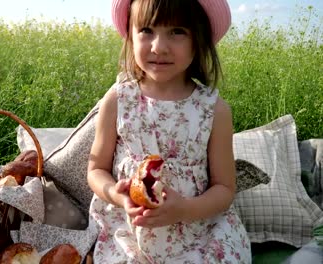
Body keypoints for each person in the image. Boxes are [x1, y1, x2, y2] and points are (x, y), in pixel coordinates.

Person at [87, 0, 252, 263]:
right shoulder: (118, 99)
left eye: (177, 31)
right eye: (147, 30)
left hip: (200, 231)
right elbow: (96, 170)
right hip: (129, 229)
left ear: (198, 40)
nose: (158, 47)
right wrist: (116, 195)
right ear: (130, 35)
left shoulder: (215, 110)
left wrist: (185, 209)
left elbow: (224, 188)